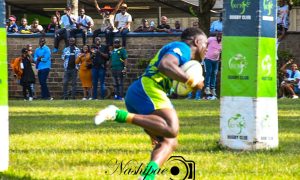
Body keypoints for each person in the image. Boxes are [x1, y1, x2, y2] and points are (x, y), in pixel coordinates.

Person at [95, 27, 207, 180]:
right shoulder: (182, 47)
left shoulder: (185, 58)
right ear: (197, 41)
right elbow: (165, 65)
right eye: (205, 44)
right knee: (171, 128)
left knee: (169, 141)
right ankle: (117, 114)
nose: (206, 49)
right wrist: (191, 81)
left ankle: (147, 177)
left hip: (141, 94)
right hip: (147, 89)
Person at [204, 32, 222, 100]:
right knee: (209, 73)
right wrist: (205, 51)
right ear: (216, 36)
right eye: (218, 37)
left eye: (221, 37)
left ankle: (212, 89)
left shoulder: (222, 42)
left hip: (216, 60)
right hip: (208, 59)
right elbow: (204, 44)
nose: (219, 38)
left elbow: (221, 51)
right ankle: (207, 88)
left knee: (214, 74)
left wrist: (220, 58)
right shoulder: (211, 39)